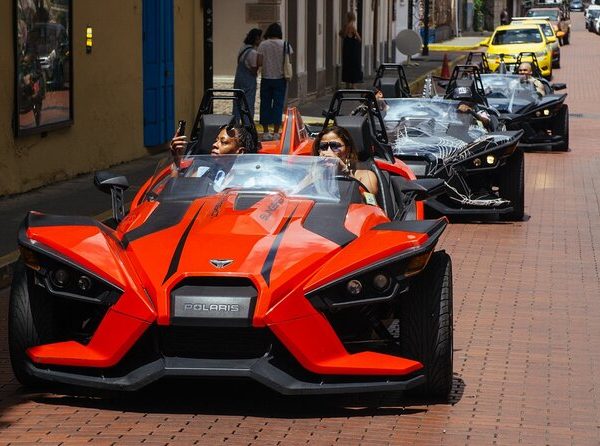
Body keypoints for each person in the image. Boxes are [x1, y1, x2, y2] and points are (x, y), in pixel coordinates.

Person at [312, 126, 379, 197]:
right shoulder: (314, 175)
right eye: (323, 147)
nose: (328, 151)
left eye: (335, 146)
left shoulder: (365, 175)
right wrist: (316, 171)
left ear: (347, 150)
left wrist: (344, 171)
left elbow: (369, 201)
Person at [257, 23, 293, 141]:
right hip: (280, 79)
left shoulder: (263, 44)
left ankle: (266, 131)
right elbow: (288, 60)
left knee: (265, 104)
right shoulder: (285, 44)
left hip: (266, 78)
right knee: (278, 105)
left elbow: (259, 61)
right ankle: (277, 132)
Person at [169, 124, 258, 161]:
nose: (214, 145)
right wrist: (176, 159)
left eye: (223, 142)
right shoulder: (205, 171)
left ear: (241, 152)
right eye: (216, 141)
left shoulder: (247, 183)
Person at [233, 28, 262, 120]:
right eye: (259, 38)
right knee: (248, 104)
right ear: (256, 38)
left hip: (238, 78)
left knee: (237, 103)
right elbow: (253, 68)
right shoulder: (253, 52)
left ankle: (235, 125)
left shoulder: (242, 48)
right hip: (248, 80)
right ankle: (247, 125)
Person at [339, 11, 363, 89]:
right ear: (353, 18)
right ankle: (353, 85)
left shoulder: (345, 26)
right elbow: (359, 38)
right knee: (354, 66)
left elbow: (341, 34)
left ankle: (347, 84)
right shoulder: (352, 27)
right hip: (352, 49)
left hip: (346, 48)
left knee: (346, 65)